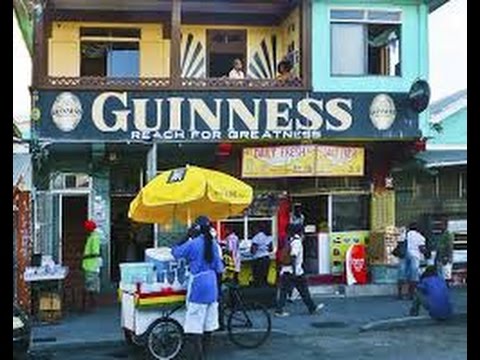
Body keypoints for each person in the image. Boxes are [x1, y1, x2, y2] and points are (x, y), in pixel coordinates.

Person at [172, 216, 224, 360]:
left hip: (198, 287)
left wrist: (186, 236)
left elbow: (175, 251)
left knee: (195, 327)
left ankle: (199, 357)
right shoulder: (213, 244)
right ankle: (204, 355)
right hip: (212, 286)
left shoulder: (193, 244)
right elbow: (219, 268)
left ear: (195, 229)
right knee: (208, 327)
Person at [275, 224, 324, 317]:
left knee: (286, 291)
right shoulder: (297, 242)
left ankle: (311, 307)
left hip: (287, 270)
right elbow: (293, 256)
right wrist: (294, 272)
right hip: (295, 271)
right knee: (303, 290)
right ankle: (311, 308)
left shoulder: (290, 240)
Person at [401, 222, 428, 299]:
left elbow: (400, 243)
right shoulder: (420, 237)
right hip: (415, 256)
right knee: (414, 275)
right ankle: (411, 294)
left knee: (404, 274)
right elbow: (422, 248)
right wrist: (426, 253)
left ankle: (401, 294)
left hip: (404, 255)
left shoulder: (405, 234)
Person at [82, 219, 102, 312]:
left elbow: (95, 253)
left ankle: (90, 306)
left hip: (91, 265)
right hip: (90, 265)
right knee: (90, 286)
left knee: (90, 287)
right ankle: (91, 306)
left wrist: (84, 256)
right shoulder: (92, 236)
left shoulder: (94, 237)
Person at [435, 218, 453, 285]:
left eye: (441, 224)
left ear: (445, 225)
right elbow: (439, 247)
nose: (440, 226)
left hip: (445, 258)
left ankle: (446, 291)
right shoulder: (441, 235)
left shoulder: (448, 234)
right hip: (439, 258)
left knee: (446, 276)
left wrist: (447, 257)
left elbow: (449, 246)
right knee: (440, 276)